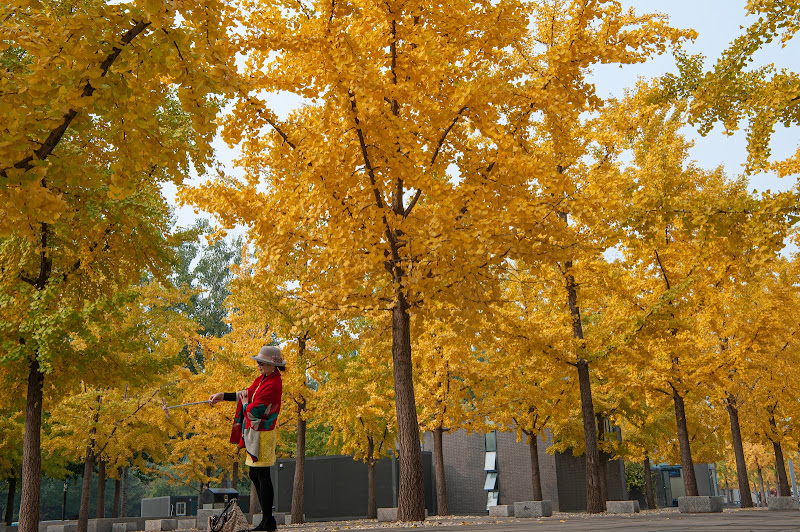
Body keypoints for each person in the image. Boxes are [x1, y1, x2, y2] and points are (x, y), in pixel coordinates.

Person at [210, 346, 285, 532]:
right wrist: (223, 396)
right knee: (255, 474)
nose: (259, 365)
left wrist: (245, 404)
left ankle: (268, 522)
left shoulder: (274, 384)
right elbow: (246, 394)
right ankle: (269, 521)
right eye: (259, 362)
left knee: (262, 475)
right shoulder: (263, 379)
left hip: (263, 435)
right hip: (255, 434)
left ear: (273, 365)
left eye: (263, 363)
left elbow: (254, 410)